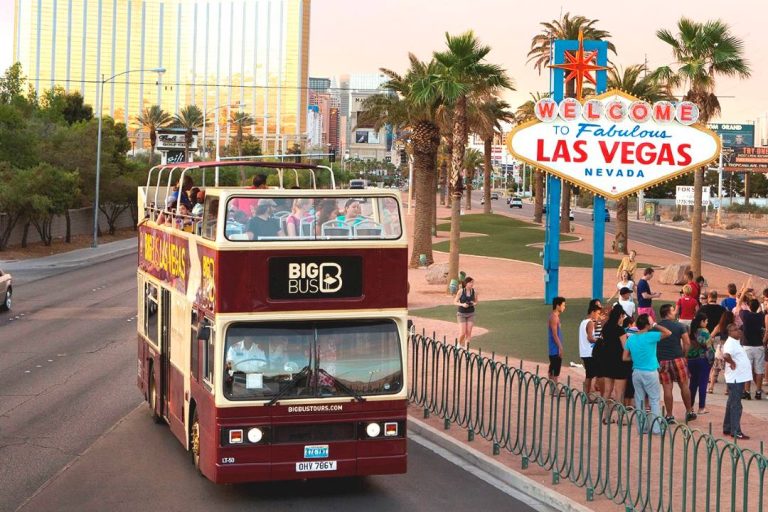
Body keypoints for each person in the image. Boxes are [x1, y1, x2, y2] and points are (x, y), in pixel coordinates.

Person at [623, 314, 672, 435]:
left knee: (639, 399)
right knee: (654, 399)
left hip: (636, 372)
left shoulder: (631, 338)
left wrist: (636, 359)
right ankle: (656, 428)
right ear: (647, 324)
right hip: (650, 372)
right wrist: (655, 325)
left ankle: (642, 427)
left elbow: (624, 357)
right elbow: (668, 333)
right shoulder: (651, 336)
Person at [657, 303, 696, 424]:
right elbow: (687, 342)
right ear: (668, 313)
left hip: (662, 360)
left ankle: (669, 415)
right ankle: (689, 411)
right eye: (673, 310)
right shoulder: (679, 326)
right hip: (678, 358)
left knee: (667, 388)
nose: (675, 312)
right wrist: (684, 355)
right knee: (684, 385)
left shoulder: (656, 327)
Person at [600, 305, 632, 420]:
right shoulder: (619, 330)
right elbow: (625, 347)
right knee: (619, 392)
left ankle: (605, 416)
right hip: (619, 362)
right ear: (620, 316)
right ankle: (620, 417)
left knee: (607, 390)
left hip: (607, 361)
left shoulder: (606, 327)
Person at [722, 323, 752, 440]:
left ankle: (728, 427)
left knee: (731, 403)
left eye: (738, 329)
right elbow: (725, 355)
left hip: (737, 378)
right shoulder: (730, 343)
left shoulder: (735, 342)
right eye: (735, 330)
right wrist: (732, 363)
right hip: (735, 379)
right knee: (736, 405)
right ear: (730, 332)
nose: (738, 331)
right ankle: (735, 431)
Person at [739, 298, 767, 400]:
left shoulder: (745, 315)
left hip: (747, 345)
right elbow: (761, 310)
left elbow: (739, 306)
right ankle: (758, 391)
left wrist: (743, 294)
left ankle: (747, 391)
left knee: (747, 369)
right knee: (759, 371)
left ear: (749, 306)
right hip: (759, 345)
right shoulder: (761, 316)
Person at [687, 314, 712, 415]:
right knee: (702, 383)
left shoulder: (691, 331)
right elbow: (708, 346)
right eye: (706, 321)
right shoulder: (704, 332)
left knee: (692, 384)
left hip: (691, 360)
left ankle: (690, 406)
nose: (707, 323)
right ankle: (701, 407)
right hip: (702, 359)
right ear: (701, 322)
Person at [708, 310, 734, 394]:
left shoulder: (720, 326)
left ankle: (711, 388)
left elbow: (711, 336)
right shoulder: (733, 327)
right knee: (728, 370)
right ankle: (727, 389)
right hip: (730, 349)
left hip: (721, 348)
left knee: (715, 369)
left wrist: (712, 343)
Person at [579, 302, 602, 397]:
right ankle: (586, 395)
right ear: (592, 312)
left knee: (589, 375)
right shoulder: (590, 323)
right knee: (592, 375)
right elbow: (590, 338)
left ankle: (586, 395)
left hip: (585, 352)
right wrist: (600, 341)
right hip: (590, 353)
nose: (598, 316)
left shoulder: (583, 322)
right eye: (597, 313)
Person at [454, 277, 478, 348]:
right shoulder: (461, 291)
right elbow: (455, 302)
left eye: (472, 282)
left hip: (471, 313)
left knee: (469, 332)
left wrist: (473, 303)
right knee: (463, 332)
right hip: (461, 314)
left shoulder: (474, 292)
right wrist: (462, 304)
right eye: (470, 282)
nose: (472, 284)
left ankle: (466, 348)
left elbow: (476, 302)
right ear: (466, 283)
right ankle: (458, 344)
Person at [548, 297, 566, 387]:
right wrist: (560, 347)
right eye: (563, 305)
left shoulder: (554, 317)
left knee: (552, 368)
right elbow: (555, 335)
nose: (564, 307)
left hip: (554, 347)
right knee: (555, 369)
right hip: (555, 348)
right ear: (557, 305)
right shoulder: (554, 318)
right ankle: (555, 389)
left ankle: (552, 388)